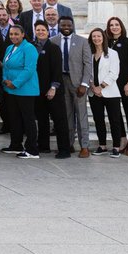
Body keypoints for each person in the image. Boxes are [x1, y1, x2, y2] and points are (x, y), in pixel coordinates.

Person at [51, 16, 92, 158]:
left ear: (73, 25)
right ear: (59, 25)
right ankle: (68, 144)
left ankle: (84, 146)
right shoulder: (53, 41)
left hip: (78, 83)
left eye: (69, 24)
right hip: (61, 83)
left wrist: (84, 84)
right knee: (66, 115)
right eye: (63, 25)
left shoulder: (82, 41)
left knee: (81, 116)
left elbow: (88, 64)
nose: (66, 27)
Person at [1, 24, 40, 159]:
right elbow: (5, 67)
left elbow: (29, 69)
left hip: (25, 89)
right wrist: (5, 80)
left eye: (16, 34)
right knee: (14, 118)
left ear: (23, 34)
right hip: (10, 90)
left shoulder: (29, 48)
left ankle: (32, 149)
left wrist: (15, 83)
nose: (13, 37)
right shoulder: (9, 48)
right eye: (11, 34)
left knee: (28, 119)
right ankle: (15, 144)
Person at [32, 21, 68, 158]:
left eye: (43, 30)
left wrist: (53, 88)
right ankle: (43, 146)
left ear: (48, 32)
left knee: (59, 120)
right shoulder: (31, 47)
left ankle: (64, 149)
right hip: (37, 90)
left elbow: (57, 70)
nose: (40, 32)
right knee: (42, 119)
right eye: (38, 30)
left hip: (53, 90)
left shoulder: (54, 48)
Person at [89, 27, 126, 157]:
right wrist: (93, 86)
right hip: (94, 93)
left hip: (110, 92)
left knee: (114, 120)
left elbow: (114, 72)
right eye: (94, 36)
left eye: (99, 36)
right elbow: (88, 72)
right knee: (98, 119)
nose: (96, 38)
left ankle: (116, 147)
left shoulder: (112, 53)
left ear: (103, 38)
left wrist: (101, 86)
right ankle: (102, 145)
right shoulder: (89, 54)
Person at [106, 17, 128, 156]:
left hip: (127, 83)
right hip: (111, 84)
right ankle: (122, 138)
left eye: (117, 25)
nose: (114, 27)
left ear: (121, 27)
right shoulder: (105, 42)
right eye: (111, 25)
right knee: (115, 114)